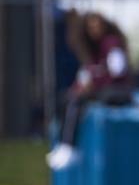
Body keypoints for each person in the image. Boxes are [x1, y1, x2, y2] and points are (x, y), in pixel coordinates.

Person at [47, 13, 133, 171]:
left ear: (104, 25)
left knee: (79, 100)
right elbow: (86, 73)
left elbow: (118, 71)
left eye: (97, 26)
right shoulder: (92, 48)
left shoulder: (111, 43)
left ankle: (69, 146)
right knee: (68, 97)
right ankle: (63, 144)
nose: (94, 30)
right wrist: (79, 87)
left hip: (118, 91)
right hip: (101, 90)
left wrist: (93, 84)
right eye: (90, 27)